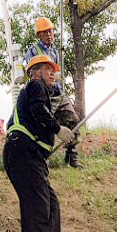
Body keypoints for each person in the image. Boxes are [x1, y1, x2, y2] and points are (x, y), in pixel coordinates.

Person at [3, 54, 74, 232]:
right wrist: (57, 129)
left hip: (28, 155)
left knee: (50, 204)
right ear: (34, 72)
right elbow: (38, 111)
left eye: (53, 69)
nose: (52, 72)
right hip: (23, 153)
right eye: (46, 68)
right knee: (37, 209)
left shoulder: (37, 91)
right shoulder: (35, 86)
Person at [24, 16, 81, 167]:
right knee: (43, 123)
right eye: (45, 32)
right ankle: (39, 157)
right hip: (44, 93)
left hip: (58, 92)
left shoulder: (54, 51)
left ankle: (72, 155)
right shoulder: (33, 51)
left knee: (73, 119)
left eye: (50, 31)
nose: (49, 35)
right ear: (39, 35)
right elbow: (31, 72)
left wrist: (57, 77)